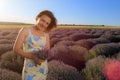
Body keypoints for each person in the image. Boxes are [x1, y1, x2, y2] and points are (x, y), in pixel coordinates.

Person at [13, 10, 57, 80]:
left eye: (47, 23)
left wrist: (43, 57)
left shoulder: (46, 34)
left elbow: (47, 50)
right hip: (30, 69)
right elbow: (16, 49)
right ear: (37, 18)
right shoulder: (25, 30)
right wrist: (33, 57)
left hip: (43, 68)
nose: (44, 24)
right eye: (42, 20)